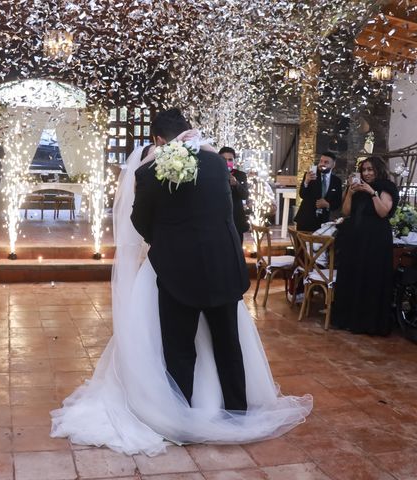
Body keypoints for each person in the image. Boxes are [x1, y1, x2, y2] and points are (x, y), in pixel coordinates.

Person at [50, 110, 312, 456]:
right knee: (227, 344)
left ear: (158, 141)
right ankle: (237, 414)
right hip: (222, 265)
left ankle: (182, 421)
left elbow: (141, 223)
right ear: (189, 132)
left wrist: (167, 235)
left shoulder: (147, 172)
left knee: (179, 348)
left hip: (176, 270)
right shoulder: (219, 164)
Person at [332, 157, 398, 335]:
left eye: (370, 169)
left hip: (376, 240)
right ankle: (349, 319)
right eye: (364, 170)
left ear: (378, 170)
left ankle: (369, 323)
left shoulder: (386, 187)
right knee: (353, 275)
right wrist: (350, 193)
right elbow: (346, 212)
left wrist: (372, 192)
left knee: (371, 276)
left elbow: (383, 212)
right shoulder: (357, 187)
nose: (367, 173)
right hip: (355, 239)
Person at [294, 152, 342, 232]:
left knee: (322, 244)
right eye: (321, 161)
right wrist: (306, 181)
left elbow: (337, 203)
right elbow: (302, 195)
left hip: (324, 222)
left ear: (333, 165)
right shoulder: (310, 175)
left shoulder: (336, 181)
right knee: (302, 244)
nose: (322, 164)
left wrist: (327, 205)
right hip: (305, 219)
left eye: (326, 162)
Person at [219, 146, 249, 245]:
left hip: (237, 219)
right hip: (219, 219)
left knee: (237, 249)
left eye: (230, 159)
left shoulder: (240, 175)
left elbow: (245, 195)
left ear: (234, 161)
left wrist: (236, 184)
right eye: (224, 159)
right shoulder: (214, 174)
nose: (227, 162)